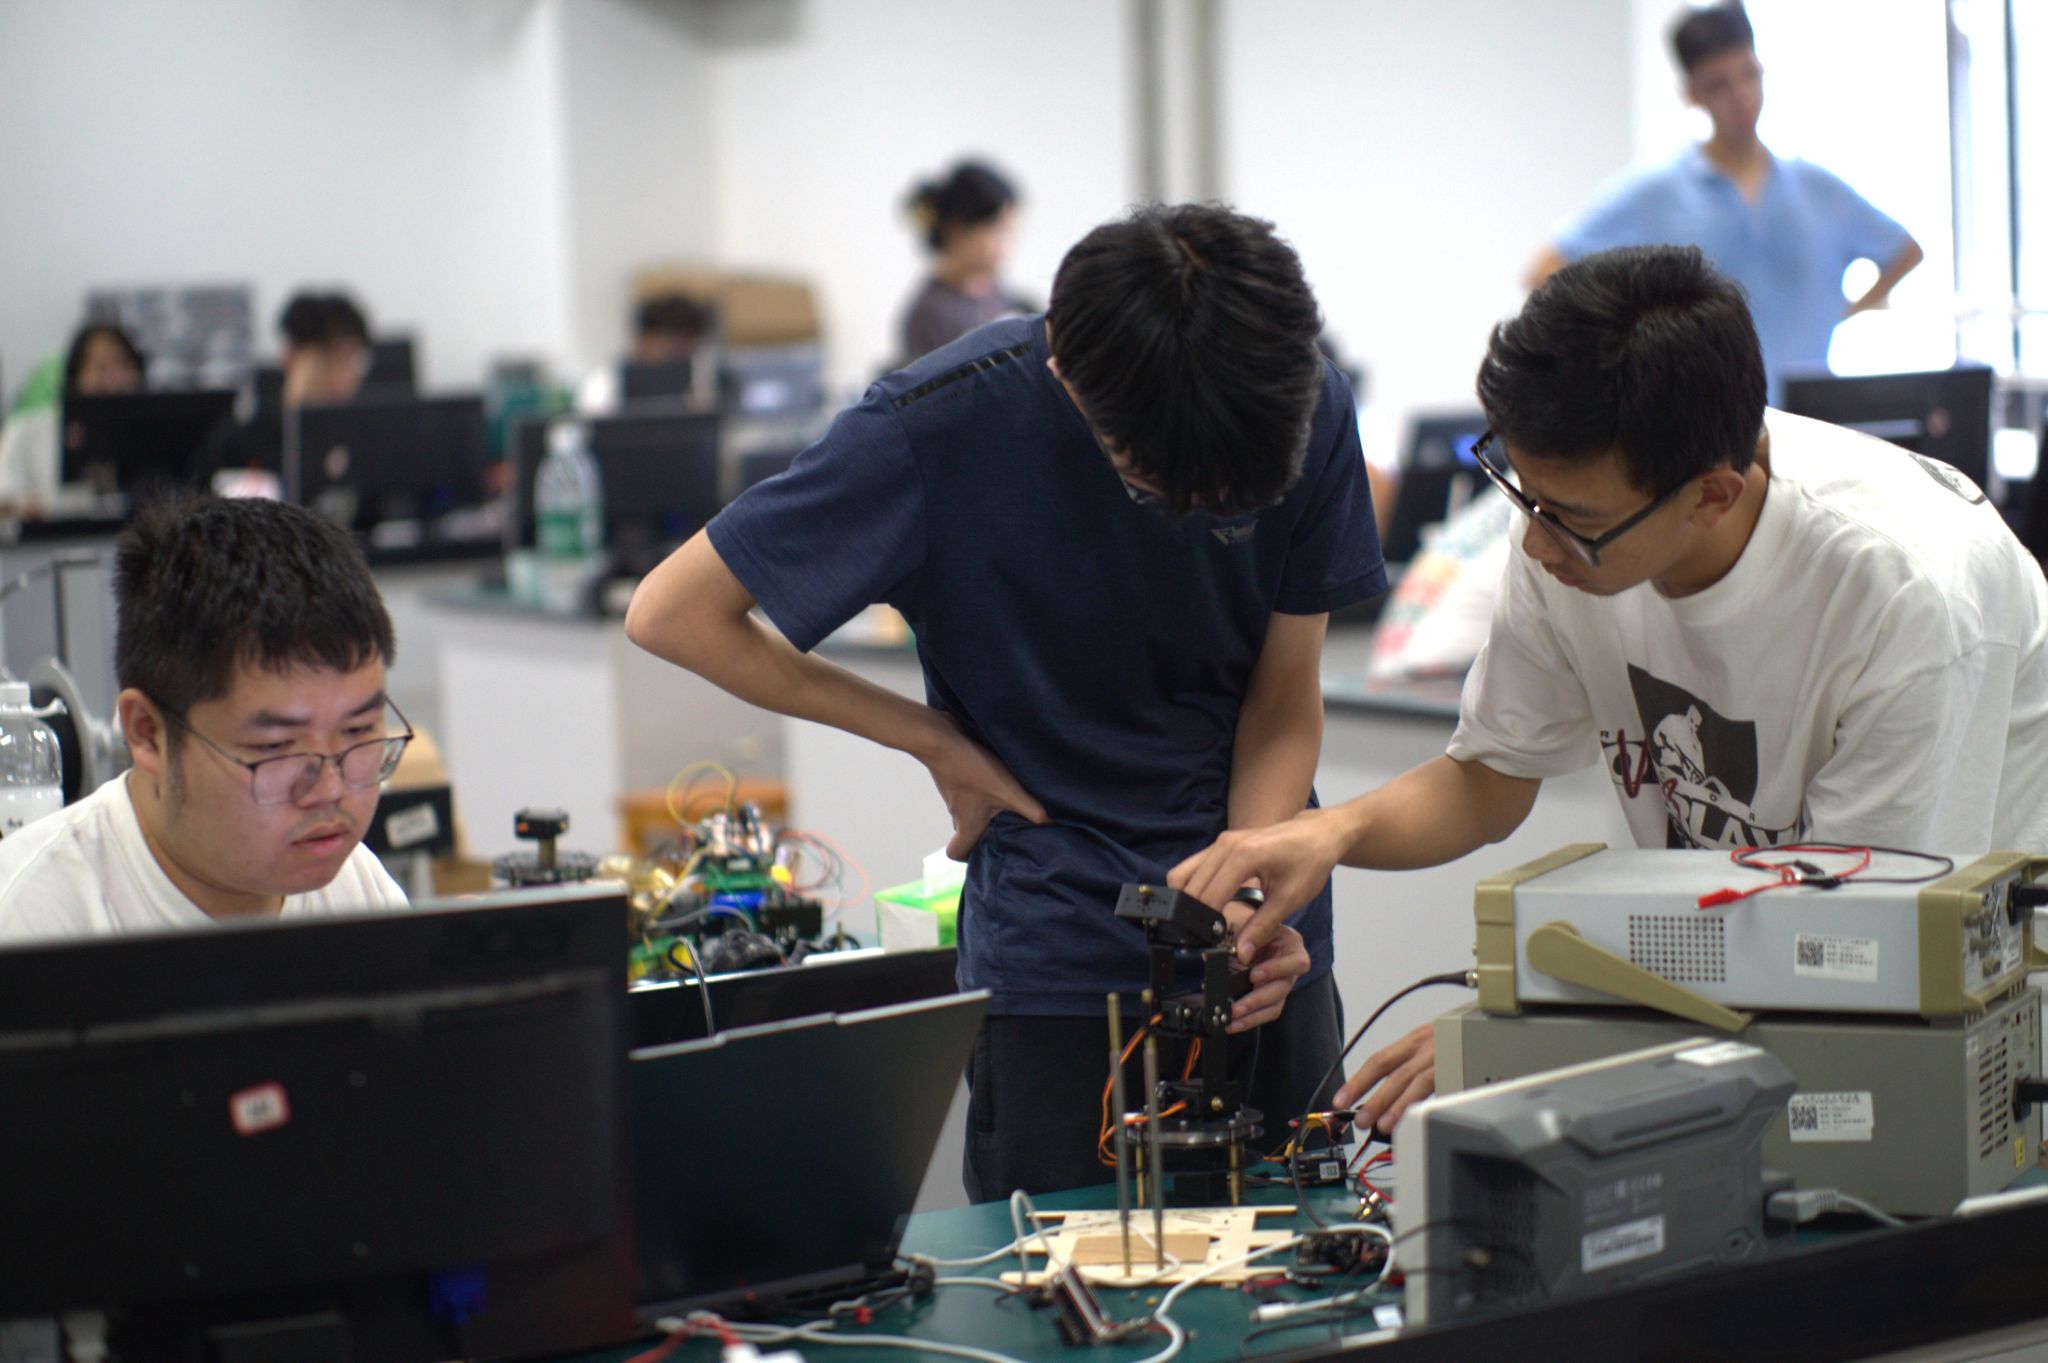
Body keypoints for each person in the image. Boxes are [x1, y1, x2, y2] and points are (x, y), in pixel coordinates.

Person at [1174, 243, 2048, 1134]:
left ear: (1712, 495)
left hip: (1955, 1042)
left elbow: (1843, 945)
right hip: (1723, 1000)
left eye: (1571, 520)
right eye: (1523, 494)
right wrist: (1328, 835)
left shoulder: (1907, 593)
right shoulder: (1568, 525)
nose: (1536, 545)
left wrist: (1538, 1024)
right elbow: (1489, 778)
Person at [626, 203, 1386, 1199]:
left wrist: (1251, 888)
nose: (1199, 516)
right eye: (1163, 488)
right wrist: (931, 739)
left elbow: (1283, 695)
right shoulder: (934, 425)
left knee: (1306, 1271)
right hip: (1061, 971)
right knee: (1058, 1284)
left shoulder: (1295, 399)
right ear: (1066, 373)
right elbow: (673, 612)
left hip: (1265, 961)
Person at [0, 495, 412, 942]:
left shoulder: (358, 892)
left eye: (357, 731)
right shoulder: (32, 922)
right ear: (148, 733)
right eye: (275, 749)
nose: (330, 791)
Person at [1526, 3, 1922, 402]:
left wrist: (1847, 311)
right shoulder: (1654, 193)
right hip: (1699, 418)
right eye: (1719, 85)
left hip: (1809, 416)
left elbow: (1905, 250)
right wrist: (1631, 348)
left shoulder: (1818, 189)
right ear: (1692, 94)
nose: (1741, 96)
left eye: (1749, 75)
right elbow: (1544, 269)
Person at [196, 290, 370, 487]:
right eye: (328, 361)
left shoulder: (360, 442)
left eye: (351, 362)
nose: (342, 379)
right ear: (290, 356)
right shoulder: (237, 445)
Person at [0, 321, 147, 510]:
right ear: (76, 374)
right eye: (101, 366)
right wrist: (24, 505)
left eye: (124, 364)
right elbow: (4, 493)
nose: (115, 379)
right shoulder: (26, 430)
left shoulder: (147, 435)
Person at [898, 159, 1030, 360]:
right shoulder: (930, 316)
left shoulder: (999, 294)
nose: (1006, 244)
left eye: (1010, 231)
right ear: (957, 229)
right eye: (997, 230)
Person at [576, 291, 713, 414]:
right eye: (673, 347)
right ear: (645, 340)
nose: (678, 357)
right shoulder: (606, 383)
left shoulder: (704, 382)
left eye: (687, 350)